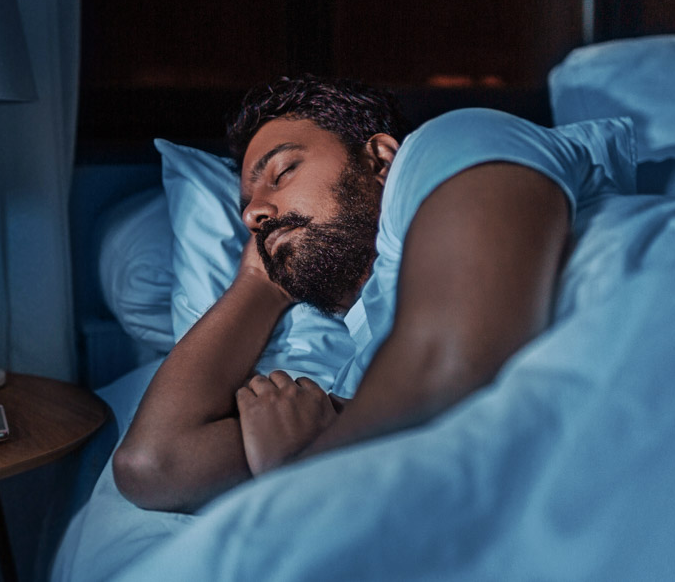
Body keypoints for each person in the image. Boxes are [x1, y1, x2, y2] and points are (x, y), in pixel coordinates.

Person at [113, 75, 633, 513]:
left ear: (379, 159)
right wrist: (256, 285)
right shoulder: (365, 373)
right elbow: (153, 463)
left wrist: (301, 470)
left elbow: (457, 369)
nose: (254, 214)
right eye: (248, 207)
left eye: (282, 171)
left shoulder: (443, 147)